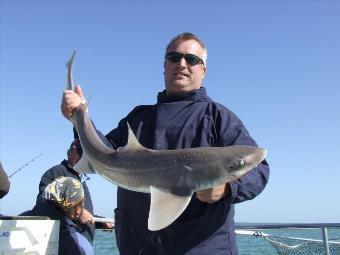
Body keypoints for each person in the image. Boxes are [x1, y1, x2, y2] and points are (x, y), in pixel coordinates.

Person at [61, 32, 270, 255]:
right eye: (174, 57)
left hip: (202, 247)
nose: (182, 64)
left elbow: (259, 170)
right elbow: (103, 151)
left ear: (203, 71)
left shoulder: (219, 117)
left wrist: (227, 189)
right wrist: (79, 119)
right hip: (137, 245)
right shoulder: (138, 117)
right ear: (164, 66)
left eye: (192, 60)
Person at [27, 139, 96, 255]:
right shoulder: (57, 171)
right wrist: (79, 211)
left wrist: (99, 221)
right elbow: (44, 199)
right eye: (73, 149)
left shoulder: (82, 180)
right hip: (64, 234)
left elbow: (85, 211)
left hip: (81, 235)